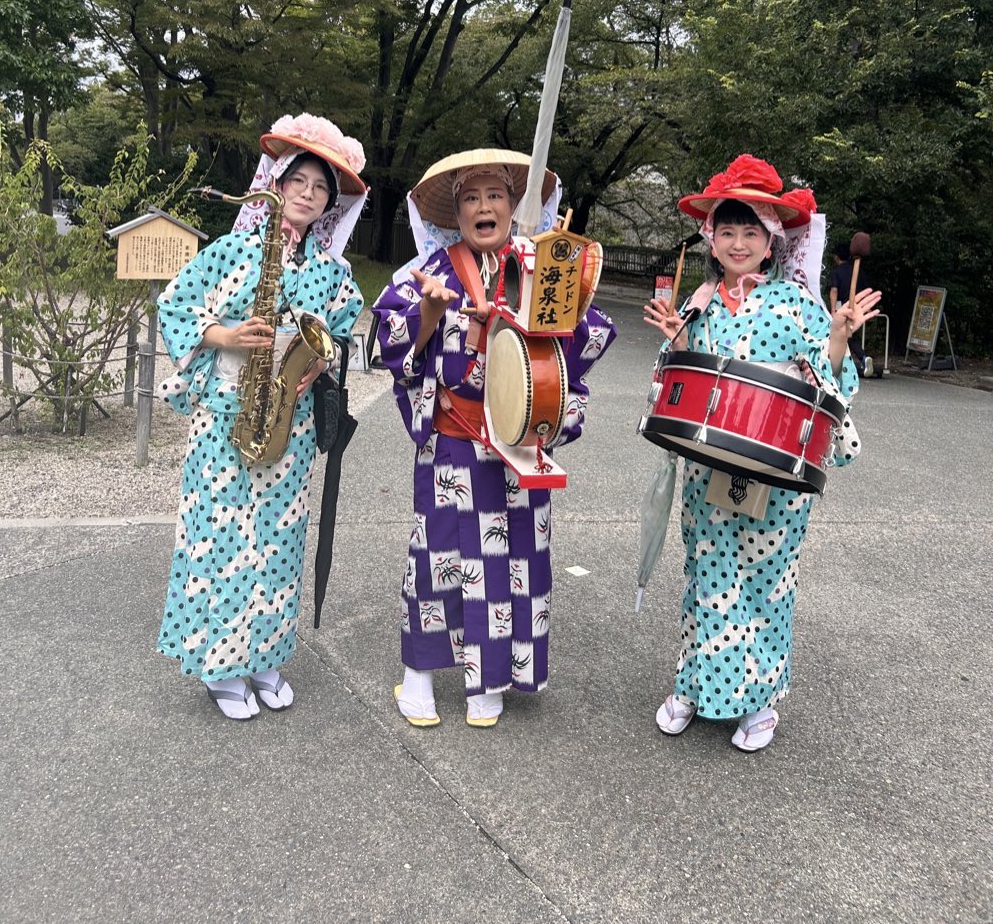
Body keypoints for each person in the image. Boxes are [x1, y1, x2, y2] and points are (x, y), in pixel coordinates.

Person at [642, 154, 881, 751]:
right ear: (712, 239)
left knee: (767, 581)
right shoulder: (700, 302)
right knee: (707, 574)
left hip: (776, 465)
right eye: (727, 231)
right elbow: (680, 384)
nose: (738, 243)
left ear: (772, 240)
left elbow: (830, 382)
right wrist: (677, 340)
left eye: (751, 232)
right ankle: (694, 685)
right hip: (709, 464)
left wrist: (837, 337)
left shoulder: (797, 302)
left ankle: (759, 701)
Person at [373, 149, 617, 728]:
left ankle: (491, 678)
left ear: (513, 206)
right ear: (456, 213)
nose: (484, 207)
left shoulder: (540, 268)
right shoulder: (427, 271)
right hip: (453, 439)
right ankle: (419, 675)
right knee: (436, 555)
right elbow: (392, 345)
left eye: (495, 196)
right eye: (471, 198)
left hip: (517, 443)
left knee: (515, 562)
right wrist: (431, 315)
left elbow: (580, 346)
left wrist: (564, 300)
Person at [155, 113, 368, 720]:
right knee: (220, 539)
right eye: (298, 180)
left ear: (329, 204)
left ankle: (266, 656)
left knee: (279, 542)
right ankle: (221, 665)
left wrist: (317, 363)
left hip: (290, 420)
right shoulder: (230, 250)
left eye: (320, 187)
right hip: (224, 413)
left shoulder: (332, 270)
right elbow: (174, 305)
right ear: (275, 184)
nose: (308, 193)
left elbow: (339, 331)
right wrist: (224, 334)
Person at [829, 236, 873, 377]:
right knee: (849, 336)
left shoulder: (836, 272)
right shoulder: (858, 270)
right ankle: (849, 362)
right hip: (859, 309)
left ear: (836, 257)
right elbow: (867, 290)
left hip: (844, 308)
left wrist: (833, 310)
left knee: (845, 335)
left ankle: (862, 358)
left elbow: (834, 290)